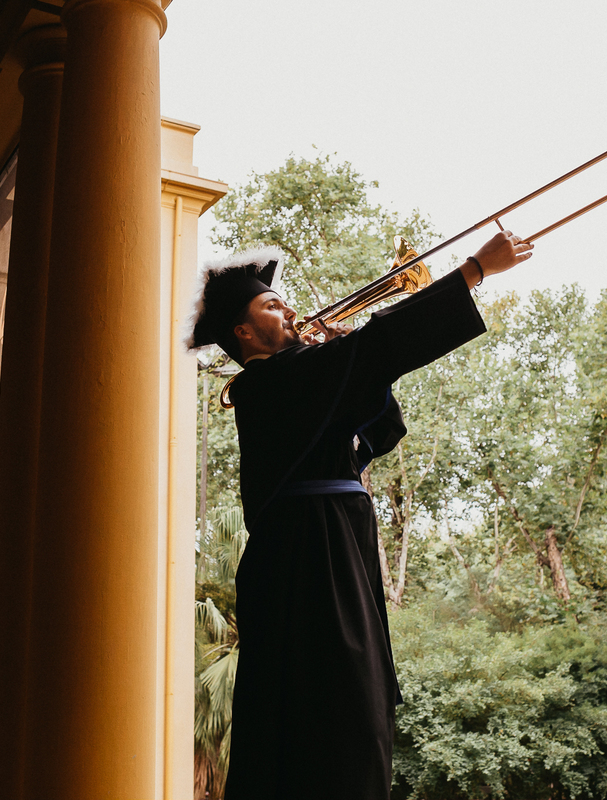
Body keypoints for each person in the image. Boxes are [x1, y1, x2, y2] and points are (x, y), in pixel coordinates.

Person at [185, 230, 533, 800]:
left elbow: (380, 428)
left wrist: (359, 367)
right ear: (243, 332)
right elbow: (378, 344)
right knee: (335, 715)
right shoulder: (267, 384)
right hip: (309, 560)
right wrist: (472, 271)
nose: (291, 311)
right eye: (273, 305)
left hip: (334, 547)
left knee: (358, 711)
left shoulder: (298, 380)